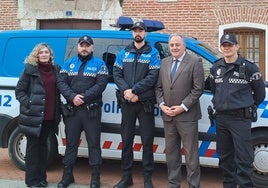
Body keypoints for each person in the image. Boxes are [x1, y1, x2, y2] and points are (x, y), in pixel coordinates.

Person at [209, 33, 266, 188]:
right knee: (225, 157)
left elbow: (260, 93)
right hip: (221, 119)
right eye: (224, 46)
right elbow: (214, 90)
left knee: (243, 158)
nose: (227, 48)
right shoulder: (216, 68)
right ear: (221, 48)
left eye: (230, 45)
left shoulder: (249, 67)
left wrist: (246, 105)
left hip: (240, 119)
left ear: (237, 47)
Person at [113, 21, 160, 188]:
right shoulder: (124, 52)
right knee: (126, 141)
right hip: (127, 103)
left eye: (140, 30)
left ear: (145, 33)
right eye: (135, 30)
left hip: (144, 103)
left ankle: (147, 178)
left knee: (147, 141)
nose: (137, 33)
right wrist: (127, 90)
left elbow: (153, 76)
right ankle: (127, 177)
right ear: (132, 33)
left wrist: (135, 91)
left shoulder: (153, 53)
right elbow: (116, 73)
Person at [57, 35, 108, 188]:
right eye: (82, 45)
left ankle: (95, 178)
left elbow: (101, 84)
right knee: (71, 144)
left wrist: (83, 98)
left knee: (94, 144)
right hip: (72, 111)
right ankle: (67, 176)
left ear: (92, 47)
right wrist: (72, 97)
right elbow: (61, 82)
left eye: (87, 45)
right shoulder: (69, 63)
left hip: (90, 111)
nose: (84, 48)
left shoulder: (100, 64)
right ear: (78, 47)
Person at [155, 33, 204, 188]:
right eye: (172, 45)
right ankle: (173, 184)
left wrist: (182, 107)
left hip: (187, 116)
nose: (174, 47)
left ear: (184, 46)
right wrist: (162, 105)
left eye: (178, 45)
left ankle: (193, 185)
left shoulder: (195, 61)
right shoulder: (164, 63)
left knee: (191, 155)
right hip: (168, 116)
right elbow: (158, 88)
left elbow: (198, 89)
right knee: (172, 154)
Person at [15, 43, 61, 188]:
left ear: (50, 55)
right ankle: (31, 181)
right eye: (41, 52)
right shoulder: (29, 70)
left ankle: (41, 178)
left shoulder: (55, 69)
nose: (44, 54)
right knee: (33, 149)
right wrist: (28, 103)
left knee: (43, 149)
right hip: (33, 116)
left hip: (49, 115)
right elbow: (19, 91)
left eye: (46, 52)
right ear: (36, 55)